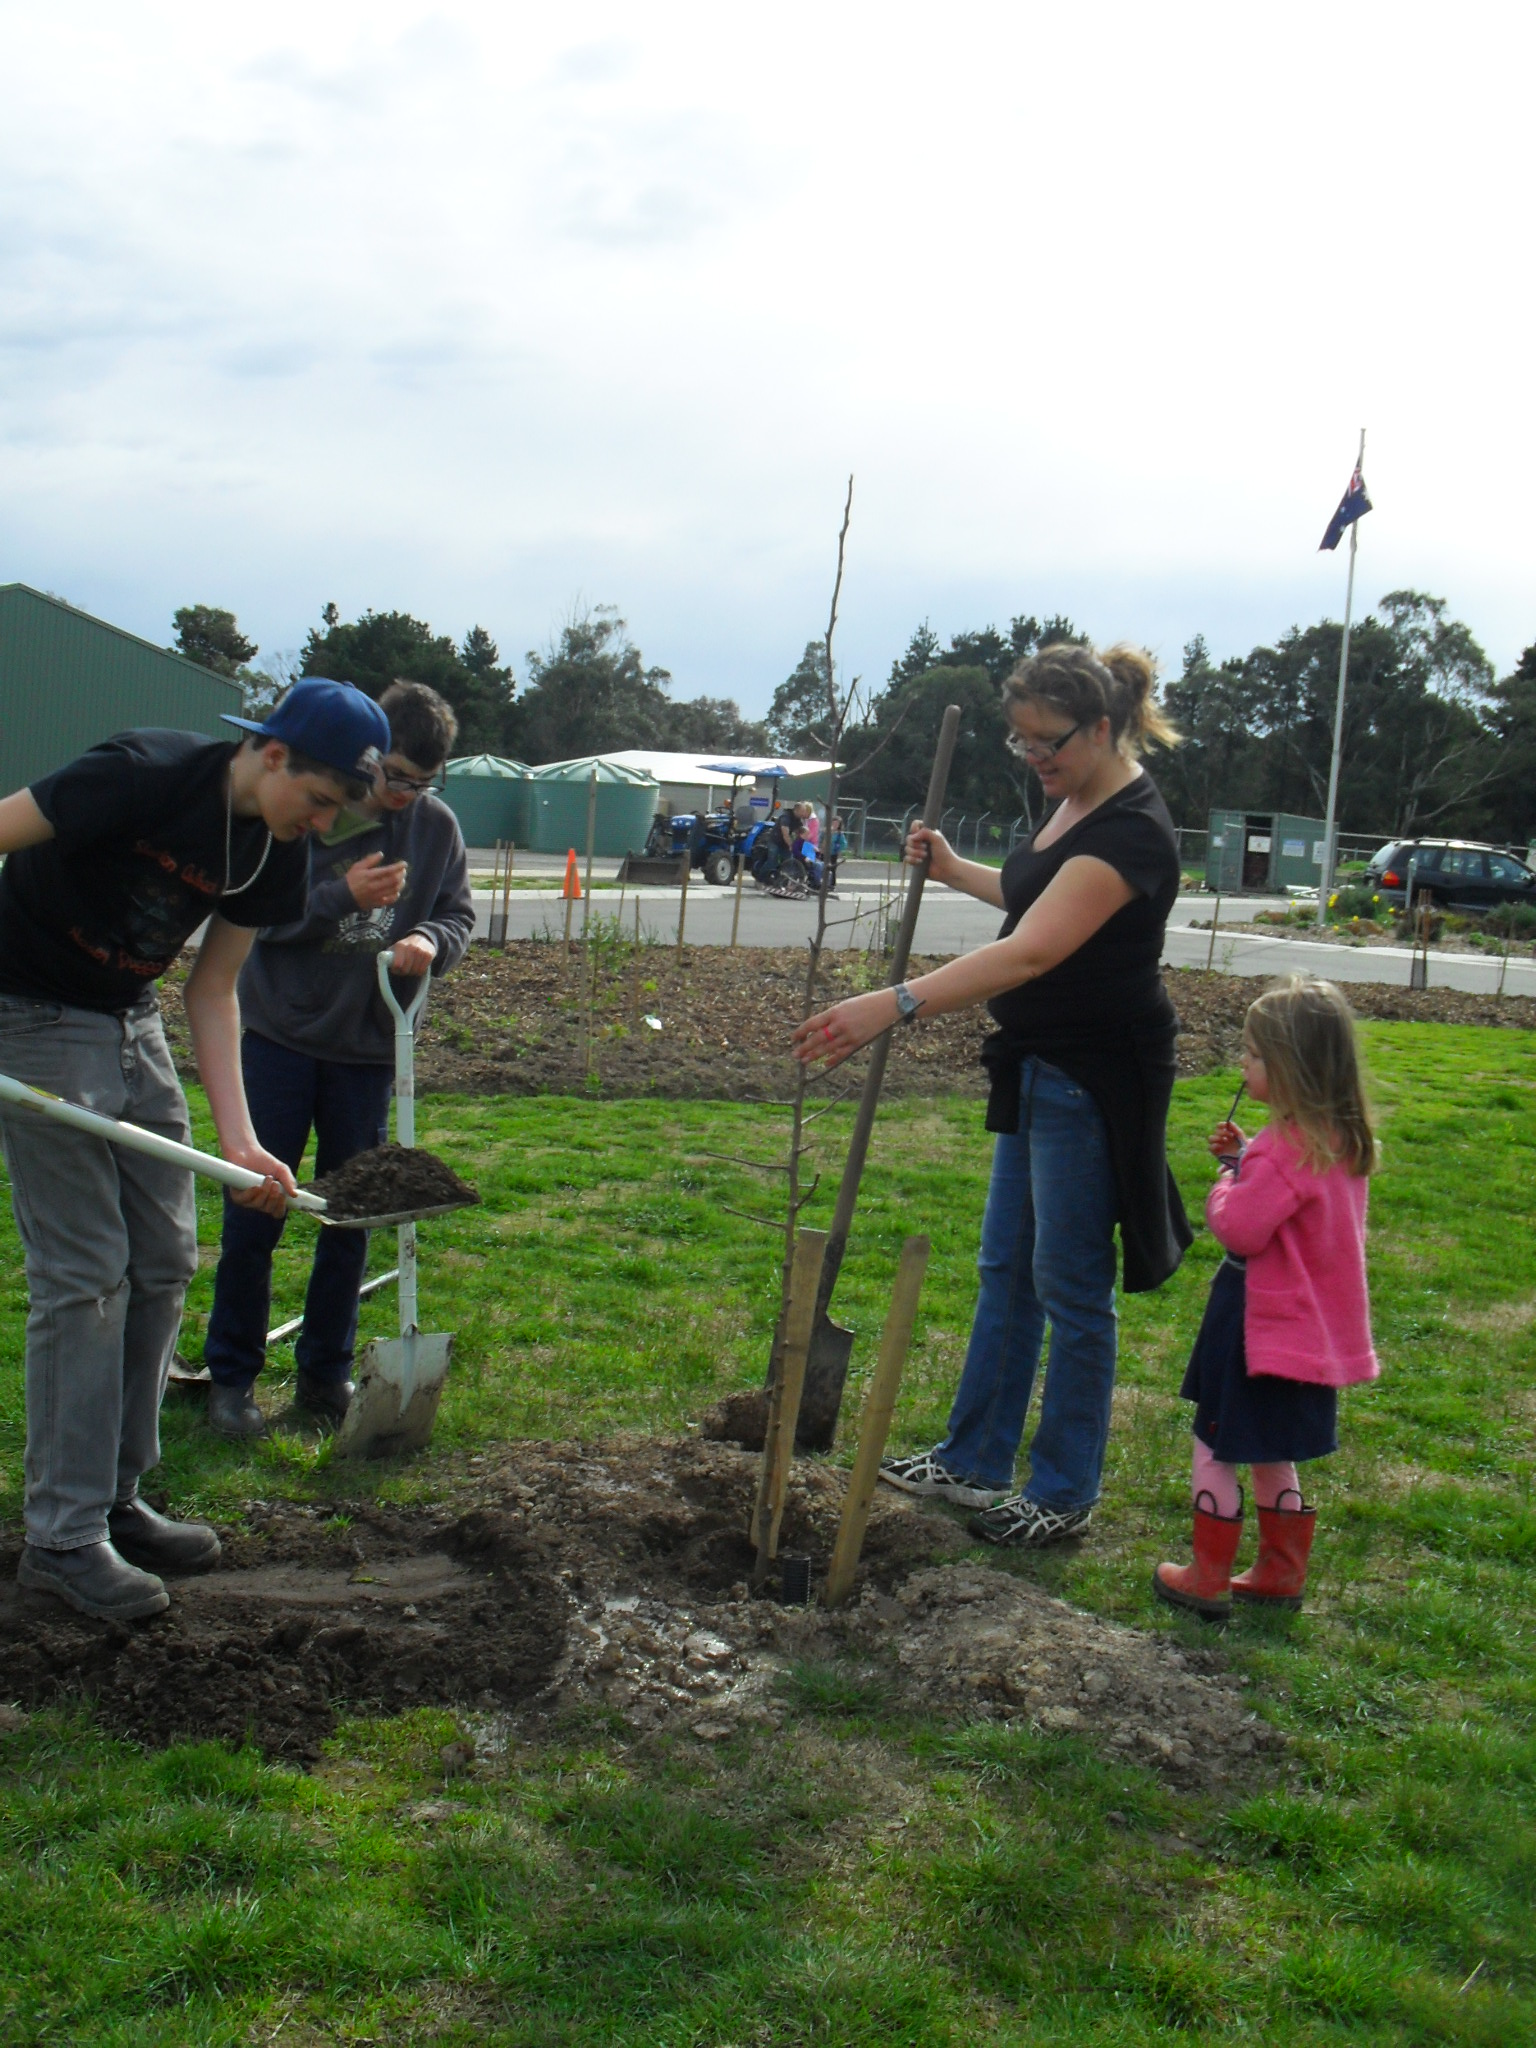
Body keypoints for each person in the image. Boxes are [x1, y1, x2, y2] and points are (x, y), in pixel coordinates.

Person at [0, 678, 388, 1620]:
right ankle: (60, 1540)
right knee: (87, 1271)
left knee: (167, 1257)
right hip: (29, 1012)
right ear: (271, 754)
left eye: (340, 809)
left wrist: (243, 1142)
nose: (323, 822)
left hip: (127, 1023)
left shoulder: (277, 853)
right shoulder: (139, 774)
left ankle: (115, 1499)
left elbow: (212, 992)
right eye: (320, 798)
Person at [795, 641, 1190, 1546]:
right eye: (1022, 745)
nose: (1035, 760)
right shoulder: (1072, 804)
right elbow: (1028, 894)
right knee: (1005, 1270)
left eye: (1047, 743)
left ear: (1101, 727)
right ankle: (976, 1460)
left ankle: (1062, 1493)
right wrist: (954, 872)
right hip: (1037, 1062)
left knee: (1071, 1287)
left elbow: (1034, 948)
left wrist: (892, 1003)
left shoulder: (1133, 829)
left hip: (1096, 1076)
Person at [202, 682, 474, 1438]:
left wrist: (431, 943)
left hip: (364, 1052)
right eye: (391, 777)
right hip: (281, 1041)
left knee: (350, 1218)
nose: (401, 796)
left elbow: (457, 910)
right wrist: (341, 898)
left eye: (419, 783)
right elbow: (258, 921)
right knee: (255, 1211)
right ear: (364, 760)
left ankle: (325, 1374)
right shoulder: (311, 813)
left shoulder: (435, 829)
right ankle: (232, 1378)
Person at [1153, 977, 1378, 1619]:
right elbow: (1295, 1212)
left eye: (1252, 1056)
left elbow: (1242, 1228)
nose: (1242, 1064)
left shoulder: (1283, 1149)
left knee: (1215, 1440)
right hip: (1305, 1329)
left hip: (1255, 1321)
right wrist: (1245, 1161)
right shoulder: (1338, 1140)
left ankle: (1206, 1574)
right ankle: (1281, 1570)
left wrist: (1225, 1188)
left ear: (1289, 1067)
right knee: (1270, 1445)